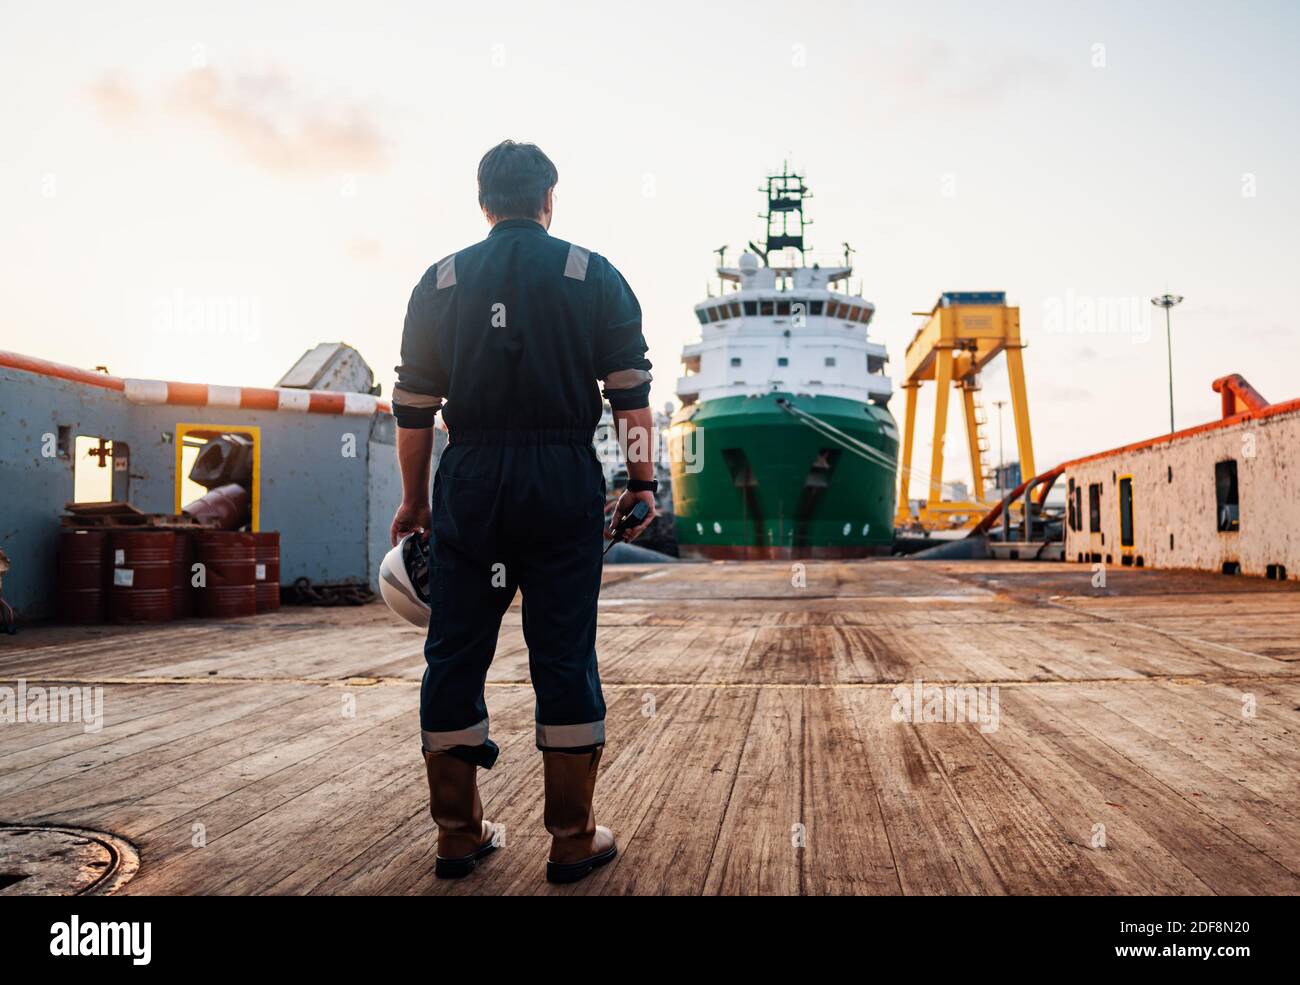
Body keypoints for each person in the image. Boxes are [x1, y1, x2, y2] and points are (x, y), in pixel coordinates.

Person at [390, 140, 656, 884]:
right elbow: (629, 392)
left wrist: (414, 501)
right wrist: (643, 483)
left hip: (470, 476)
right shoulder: (591, 274)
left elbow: (414, 406)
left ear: (483, 203)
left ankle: (457, 833)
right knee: (564, 652)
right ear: (549, 199)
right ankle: (572, 837)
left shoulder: (440, 281)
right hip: (562, 475)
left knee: (454, 649)